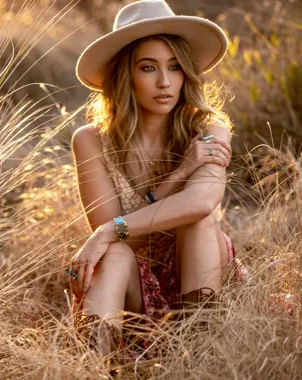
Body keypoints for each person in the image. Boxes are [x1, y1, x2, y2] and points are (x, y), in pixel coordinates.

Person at [68, 0, 244, 357]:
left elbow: (200, 203)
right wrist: (179, 173)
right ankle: (91, 365)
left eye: (175, 67)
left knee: (198, 222)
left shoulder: (208, 131)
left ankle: (200, 353)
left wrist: (110, 229)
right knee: (114, 254)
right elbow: (117, 237)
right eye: (148, 68)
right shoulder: (91, 140)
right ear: (124, 75)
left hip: (198, 269)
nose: (165, 82)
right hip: (132, 285)